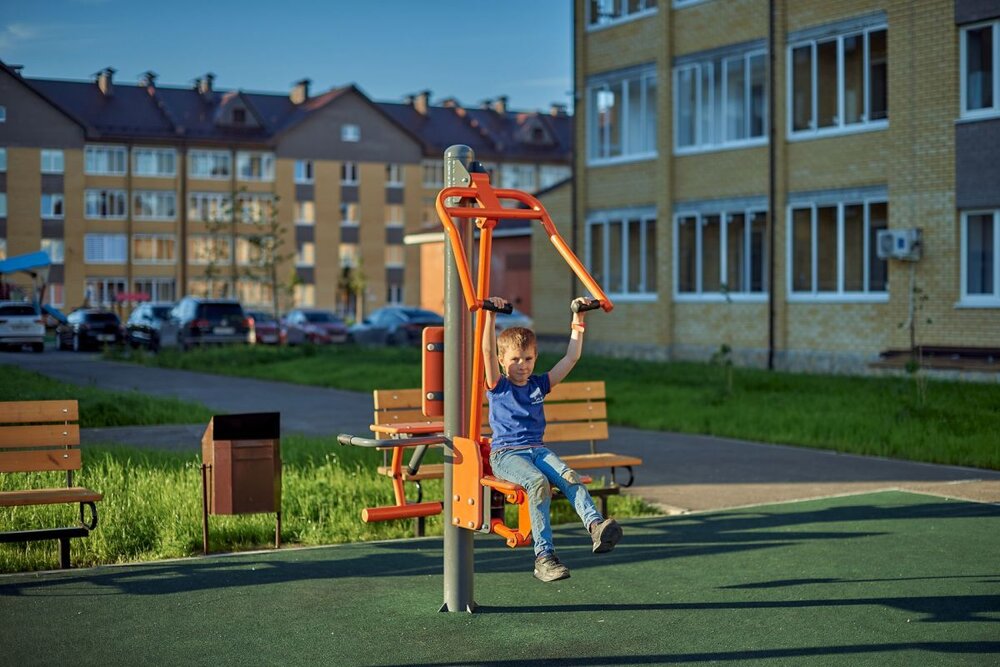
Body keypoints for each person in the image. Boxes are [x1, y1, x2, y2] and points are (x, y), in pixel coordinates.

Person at [481, 295, 623, 582]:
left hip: (537, 451)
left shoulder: (538, 384)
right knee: (537, 482)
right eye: (515, 359)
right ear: (501, 360)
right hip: (507, 455)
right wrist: (490, 315)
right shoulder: (499, 385)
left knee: (569, 475)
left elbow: (571, 357)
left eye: (529, 358)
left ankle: (595, 526)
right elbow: (485, 349)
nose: (522, 365)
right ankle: (544, 557)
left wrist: (578, 319)